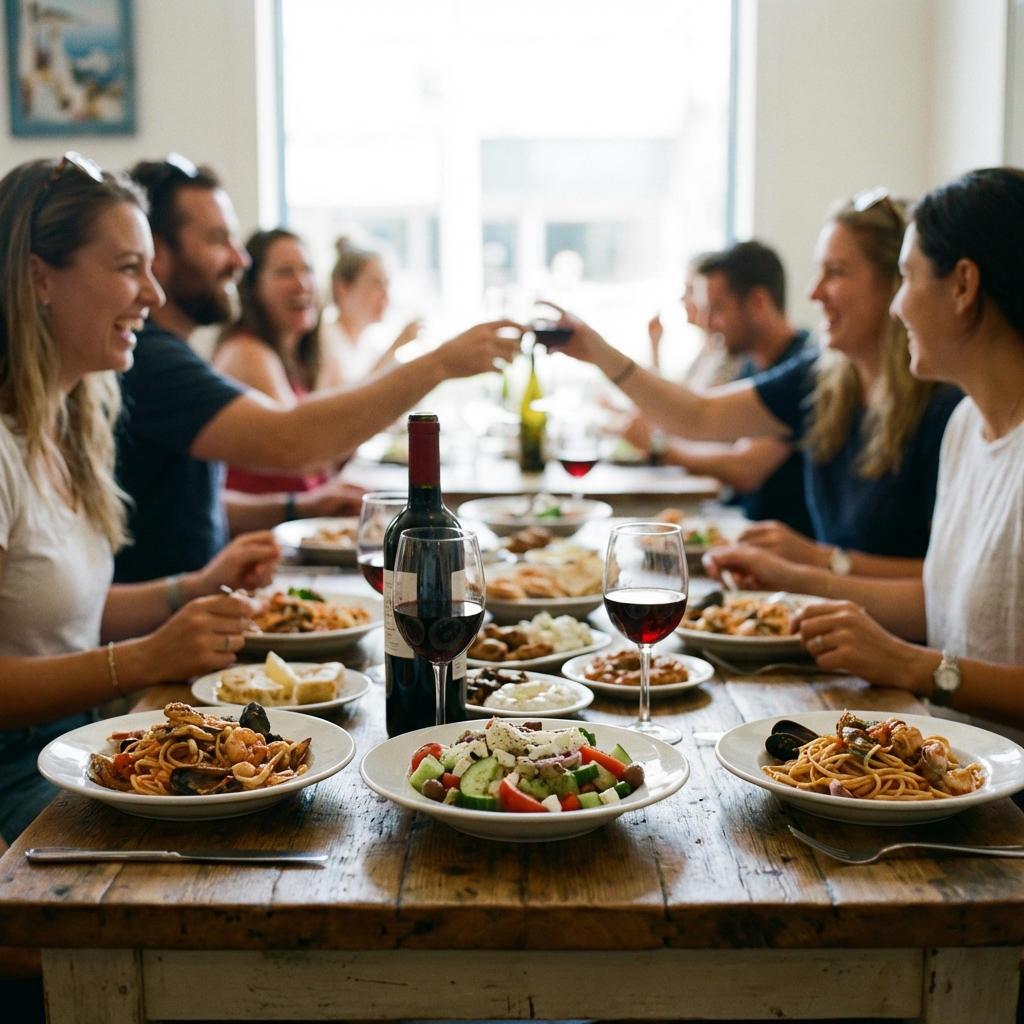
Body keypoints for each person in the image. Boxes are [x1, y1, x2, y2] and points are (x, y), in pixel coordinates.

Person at [0, 154, 273, 843]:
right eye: (128, 268)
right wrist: (144, 659)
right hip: (15, 769)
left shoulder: (67, 422)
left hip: (79, 739)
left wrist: (192, 589)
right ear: (39, 278)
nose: (153, 294)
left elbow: (57, 612)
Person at [705, 168, 1024, 728]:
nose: (898, 309)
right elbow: (944, 604)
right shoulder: (967, 427)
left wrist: (912, 665)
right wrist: (804, 583)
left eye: (906, 278)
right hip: (945, 755)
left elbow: (937, 651)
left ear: (963, 286)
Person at [115, 155, 522, 582]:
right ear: (158, 251)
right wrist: (439, 363)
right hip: (170, 631)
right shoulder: (151, 357)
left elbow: (181, 504)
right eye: (218, 239)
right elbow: (291, 442)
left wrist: (301, 508)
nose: (240, 259)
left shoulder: (170, 353)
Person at [553, 190, 963, 573]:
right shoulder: (822, 378)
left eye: (835, 272)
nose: (813, 292)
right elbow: (699, 415)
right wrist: (598, 352)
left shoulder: (943, 405)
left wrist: (821, 563)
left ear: (894, 284)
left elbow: (942, 585)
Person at [623, 242, 813, 535]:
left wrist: (659, 447)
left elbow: (746, 467)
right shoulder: (751, 361)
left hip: (784, 548)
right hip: (746, 529)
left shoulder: (801, 366)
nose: (707, 323)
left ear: (759, 303)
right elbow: (702, 425)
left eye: (717, 310)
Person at [212, 228, 363, 515]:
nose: (302, 284)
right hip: (263, 541)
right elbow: (308, 453)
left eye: (307, 270)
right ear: (253, 288)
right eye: (285, 273)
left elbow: (330, 453)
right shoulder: (247, 352)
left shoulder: (297, 358)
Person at [319, 235, 421, 386]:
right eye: (377, 284)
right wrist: (395, 347)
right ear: (343, 288)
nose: (386, 296)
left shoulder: (368, 345)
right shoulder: (324, 342)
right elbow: (345, 402)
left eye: (387, 285)